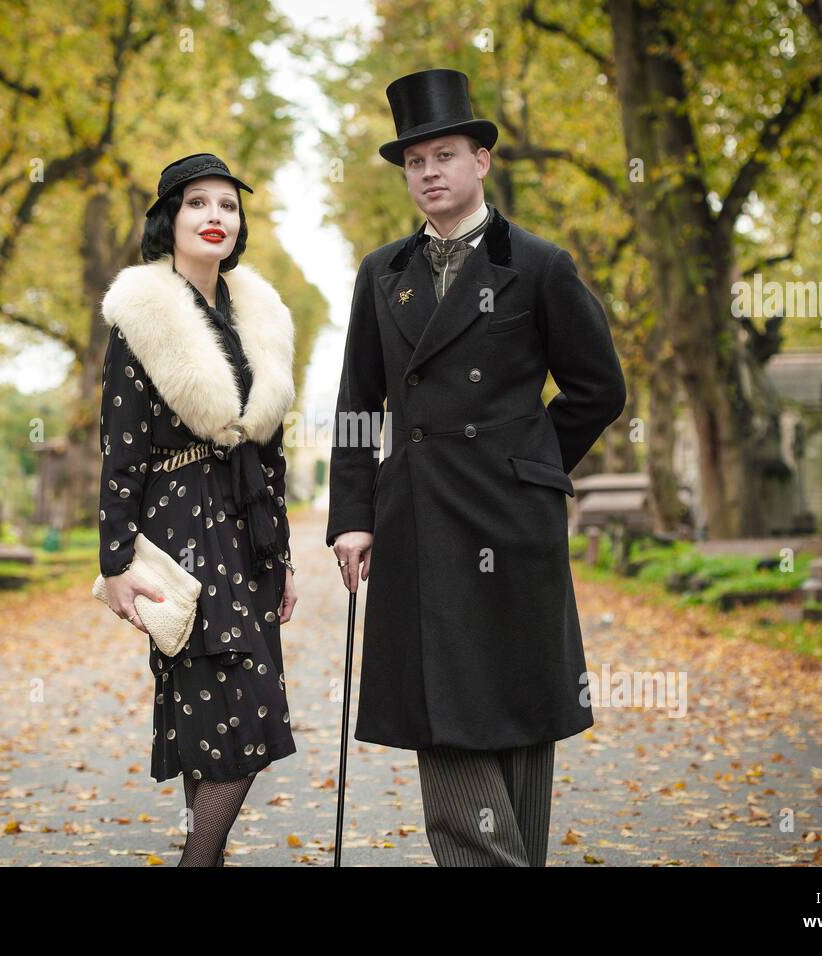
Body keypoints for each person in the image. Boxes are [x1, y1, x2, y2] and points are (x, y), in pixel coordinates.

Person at [327, 70, 627, 866]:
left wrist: (530, 465)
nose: (428, 172)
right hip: (420, 523)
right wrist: (352, 515)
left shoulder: (538, 265)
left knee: (523, 721)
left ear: (482, 161)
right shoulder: (380, 273)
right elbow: (360, 401)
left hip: (514, 525)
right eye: (414, 161)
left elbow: (599, 388)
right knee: (446, 716)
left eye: (444, 154)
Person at [98, 153, 299, 866]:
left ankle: (202, 858)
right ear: (170, 220)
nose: (216, 217)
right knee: (233, 712)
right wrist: (115, 562)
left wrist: (281, 556)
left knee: (214, 724)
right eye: (198, 205)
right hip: (179, 528)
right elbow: (120, 447)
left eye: (228, 206)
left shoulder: (255, 315)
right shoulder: (142, 317)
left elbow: (266, 451)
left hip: (245, 530)